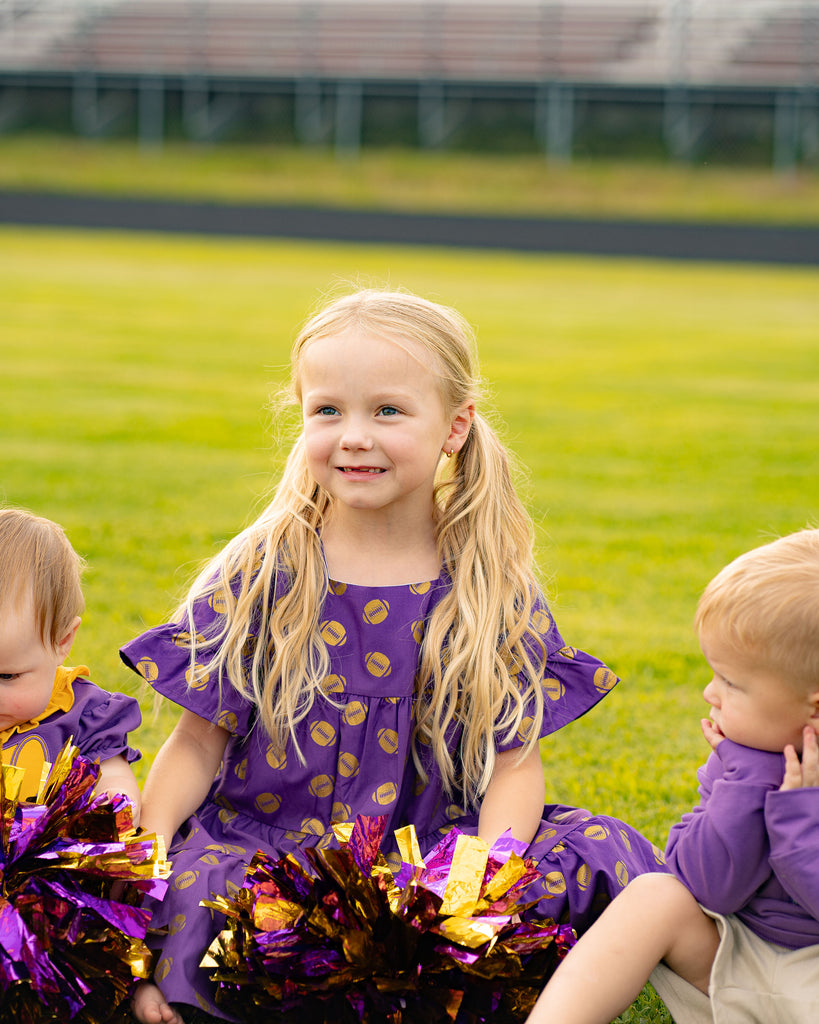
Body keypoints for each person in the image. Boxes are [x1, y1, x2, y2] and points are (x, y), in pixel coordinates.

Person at [121, 288, 663, 1024]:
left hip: (430, 850)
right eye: (327, 411)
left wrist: (476, 880)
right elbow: (194, 742)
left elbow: (513, 765)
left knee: (599, 852)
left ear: (454, 426)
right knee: (209, 895)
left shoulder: (483, 580)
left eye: (387, 411)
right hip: (276, 850)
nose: (352, 436)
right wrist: (142, 866)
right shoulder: (264, 569)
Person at [527, 527, 819, 1024]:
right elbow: (706, 886)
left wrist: (798, 816)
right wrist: (743, 785)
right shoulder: (741, 759)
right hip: (733, 965)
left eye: (731, 682)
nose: (711, 693)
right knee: (655, 895)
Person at [0, 507, 142, 812]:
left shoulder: (83, 717)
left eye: (6, 677)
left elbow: (113, 776)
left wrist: (113, 806)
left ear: (62, 641)